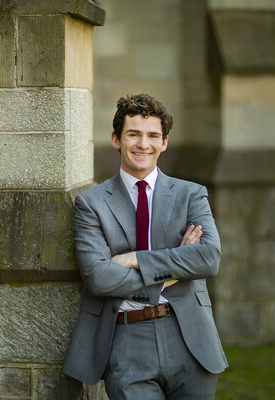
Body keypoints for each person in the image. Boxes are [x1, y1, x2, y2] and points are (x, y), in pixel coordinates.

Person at [63, 94, 227, 399]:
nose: (143, 144)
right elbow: (98, 277)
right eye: (133, 134)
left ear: (164, 142)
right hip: (127, 340)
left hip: (189, 337)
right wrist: (174, 268)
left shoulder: (191, 195)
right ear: (116, 139)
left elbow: (208, 258)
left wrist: (133, 259)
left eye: (153, 135)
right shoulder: (91, 204)